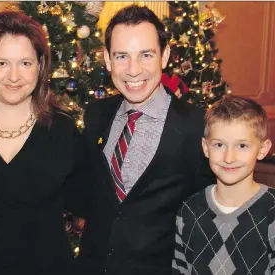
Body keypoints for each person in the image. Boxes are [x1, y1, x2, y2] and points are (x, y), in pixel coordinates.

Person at [74, 5, 215, 274]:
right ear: (107, 59)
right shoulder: (95, 115)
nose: (133, 70)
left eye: (146, 55)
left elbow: (209, 218)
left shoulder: (198, 126)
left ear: (165, 56)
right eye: (122, 56)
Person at [0, 11, 92, 274]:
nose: (14, 76)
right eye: (2, 63)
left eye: (25, 63)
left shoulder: (64, 131)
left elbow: (90, 205)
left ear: (40, 66)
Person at [172, 95, 274, 275]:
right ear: (205, 147)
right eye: (219, 145)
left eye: (242, 146)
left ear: (262, 150)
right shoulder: (189, 210)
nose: (229, 158)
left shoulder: (271, 212)